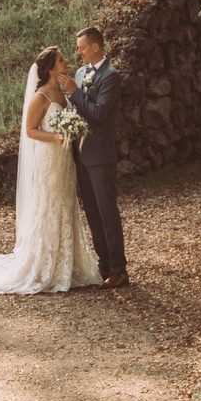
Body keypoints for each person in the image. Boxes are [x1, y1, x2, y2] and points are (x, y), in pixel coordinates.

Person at [0, 46, 102, 295]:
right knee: (49, 204)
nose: (67, 61)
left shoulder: (63, 93)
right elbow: (30, 130)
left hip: (65, 161)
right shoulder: (41, 96)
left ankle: (67, 264)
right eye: (61, 60)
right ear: (51, 68)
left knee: (66, 202)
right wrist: (56, 137)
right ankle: (43, 266)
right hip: (49, 158)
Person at [69, 25, 128, 288]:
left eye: (82, 48)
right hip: (81, 153)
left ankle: (119, 269)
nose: (79, 53)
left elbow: (99, 113)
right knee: (92, 213)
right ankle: (104, 264)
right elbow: (78, 110)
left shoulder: (111, 76)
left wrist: (75, 92)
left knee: (107, 212)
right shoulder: (80, 73)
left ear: (96, 47)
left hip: (101, 154)